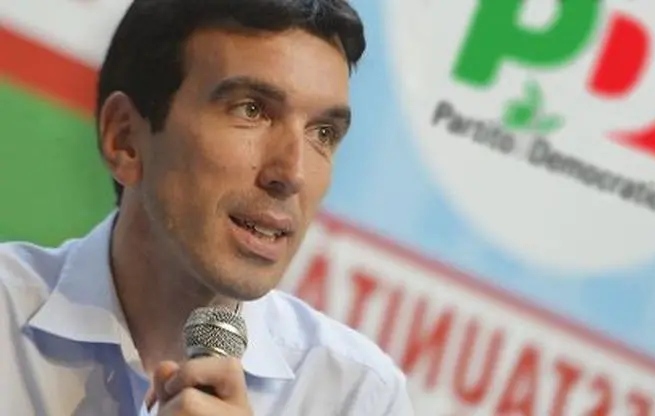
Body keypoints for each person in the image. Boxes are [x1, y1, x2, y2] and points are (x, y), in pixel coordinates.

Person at [0, 0, 413, 415]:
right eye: (252, 110)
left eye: (323, 133)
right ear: (125, 139)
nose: (293, 173)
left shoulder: (359, 397)